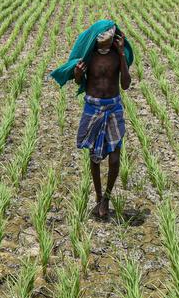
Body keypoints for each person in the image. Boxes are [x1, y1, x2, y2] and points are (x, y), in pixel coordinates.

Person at [47, 20, 133, 220]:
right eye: (103, 42)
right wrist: (77, 74)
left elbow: (126, 84)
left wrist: (121, 55)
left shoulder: (116, 56)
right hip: (93, 107)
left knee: (114, 157)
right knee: (94, 156)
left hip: (113, 107)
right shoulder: (90, 57)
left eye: (110, 41)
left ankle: (107, 198)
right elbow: (80, 81)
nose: (106, 44)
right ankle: (98, 196)